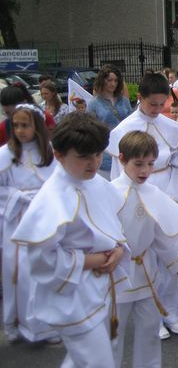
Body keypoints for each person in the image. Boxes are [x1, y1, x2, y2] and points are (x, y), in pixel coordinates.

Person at [12, 112, 130, 368]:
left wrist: (119, 250)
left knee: (88, 358)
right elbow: (42, 259)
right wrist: (91, 260)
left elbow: (110, 224)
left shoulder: (95, 182)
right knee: (97, 362)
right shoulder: (52, 197)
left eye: (98, 154)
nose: (95, 163)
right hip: (72, 297)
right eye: (84, 156)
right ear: (59, 155)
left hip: (100, 288)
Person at [107, 73, 178, 339]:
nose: (157, 110)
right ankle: (154, 316)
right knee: (147, 259)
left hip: (167, 193)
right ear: (139, 98)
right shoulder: (124, 129)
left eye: (161, 104)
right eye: (152, 104)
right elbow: (116, 172)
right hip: (138, 197)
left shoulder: (171, 127)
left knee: (172, 253)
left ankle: (173, 313)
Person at [111, 131, 178, 368]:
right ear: (122, 159)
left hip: (147, 274)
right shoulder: (111, 193)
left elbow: (160, 235)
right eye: (138, 164)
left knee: (149, 332)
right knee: (113, 335)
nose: (145, 170)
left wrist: (176, 266)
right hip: (118, 276)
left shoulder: (153, 193)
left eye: (150, 164)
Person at [1, 104, 58, 343]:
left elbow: (59, 182)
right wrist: (17, 197)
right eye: (16, 125)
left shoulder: (49, 152)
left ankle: (46, 325)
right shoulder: (5, 154)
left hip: (44, 216)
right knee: (19, 271)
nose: (20, 130)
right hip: (17, 217)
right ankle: (18, 322)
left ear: (38, 126)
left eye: (26, 125)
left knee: (45, 268)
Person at [88, 64, 133, 172]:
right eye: (109, 80)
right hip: (106, 149)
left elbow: (131, 121)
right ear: (102, 81)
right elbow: (91, 129)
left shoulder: (124, 101)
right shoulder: (94, 103)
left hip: (125, 146)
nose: (113, 83)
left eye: (116, 80)